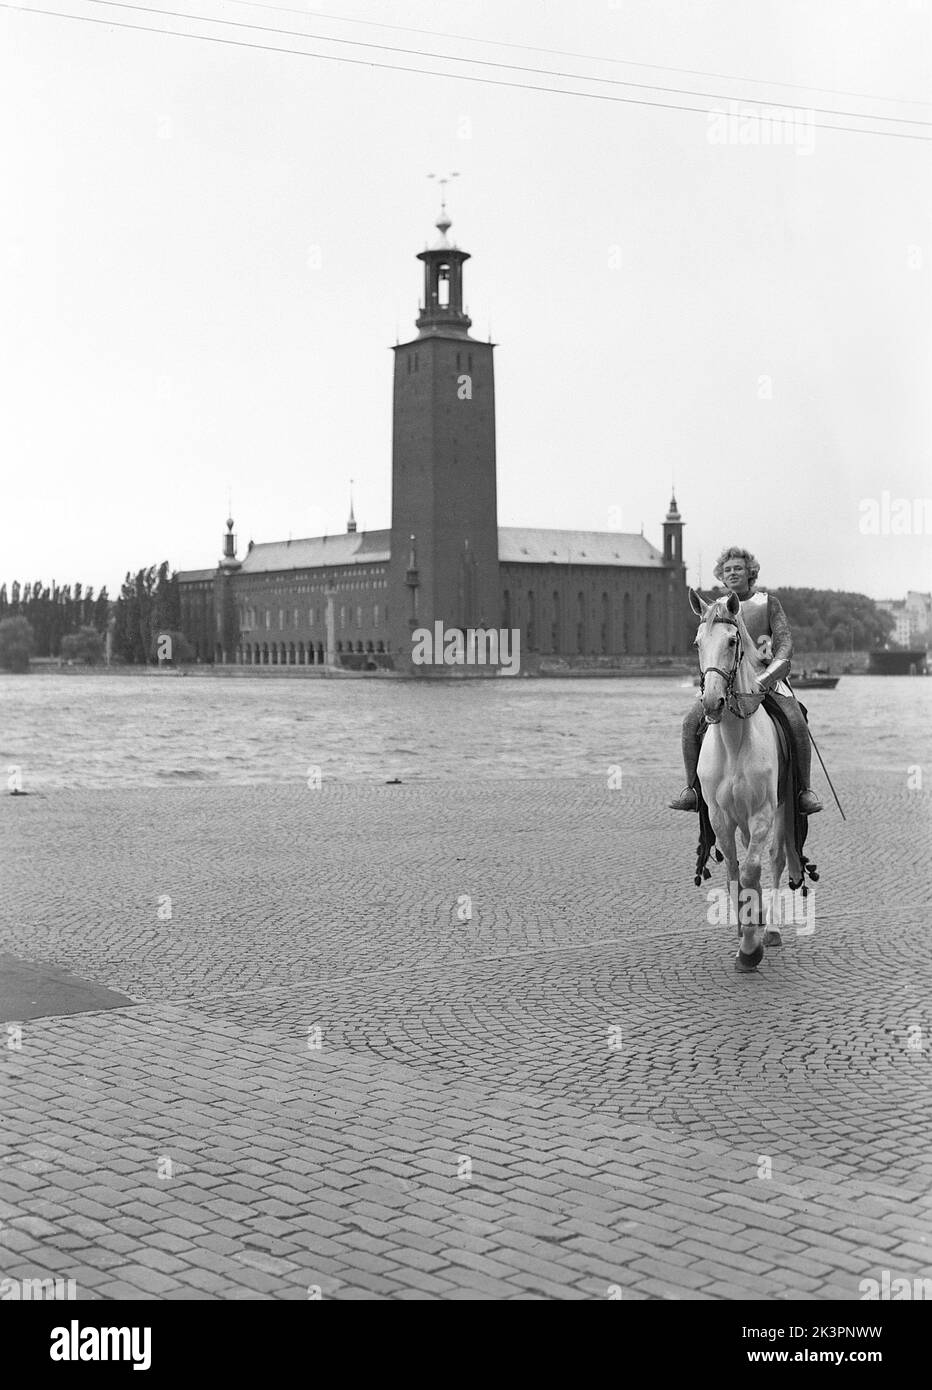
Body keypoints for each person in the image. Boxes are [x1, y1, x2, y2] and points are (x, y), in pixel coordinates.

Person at [669, 546, 823, 814]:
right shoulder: (715, 609)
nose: (732, 573)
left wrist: (766, 677)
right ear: (721, 575)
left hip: (766, 680)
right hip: (727, 683)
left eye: (738, 568)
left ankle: (803, 791)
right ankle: (692, 789)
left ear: (750, 572)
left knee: (796, 718)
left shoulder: (768, 604)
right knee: (689, 723)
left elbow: (784, 645)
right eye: (727, 570)